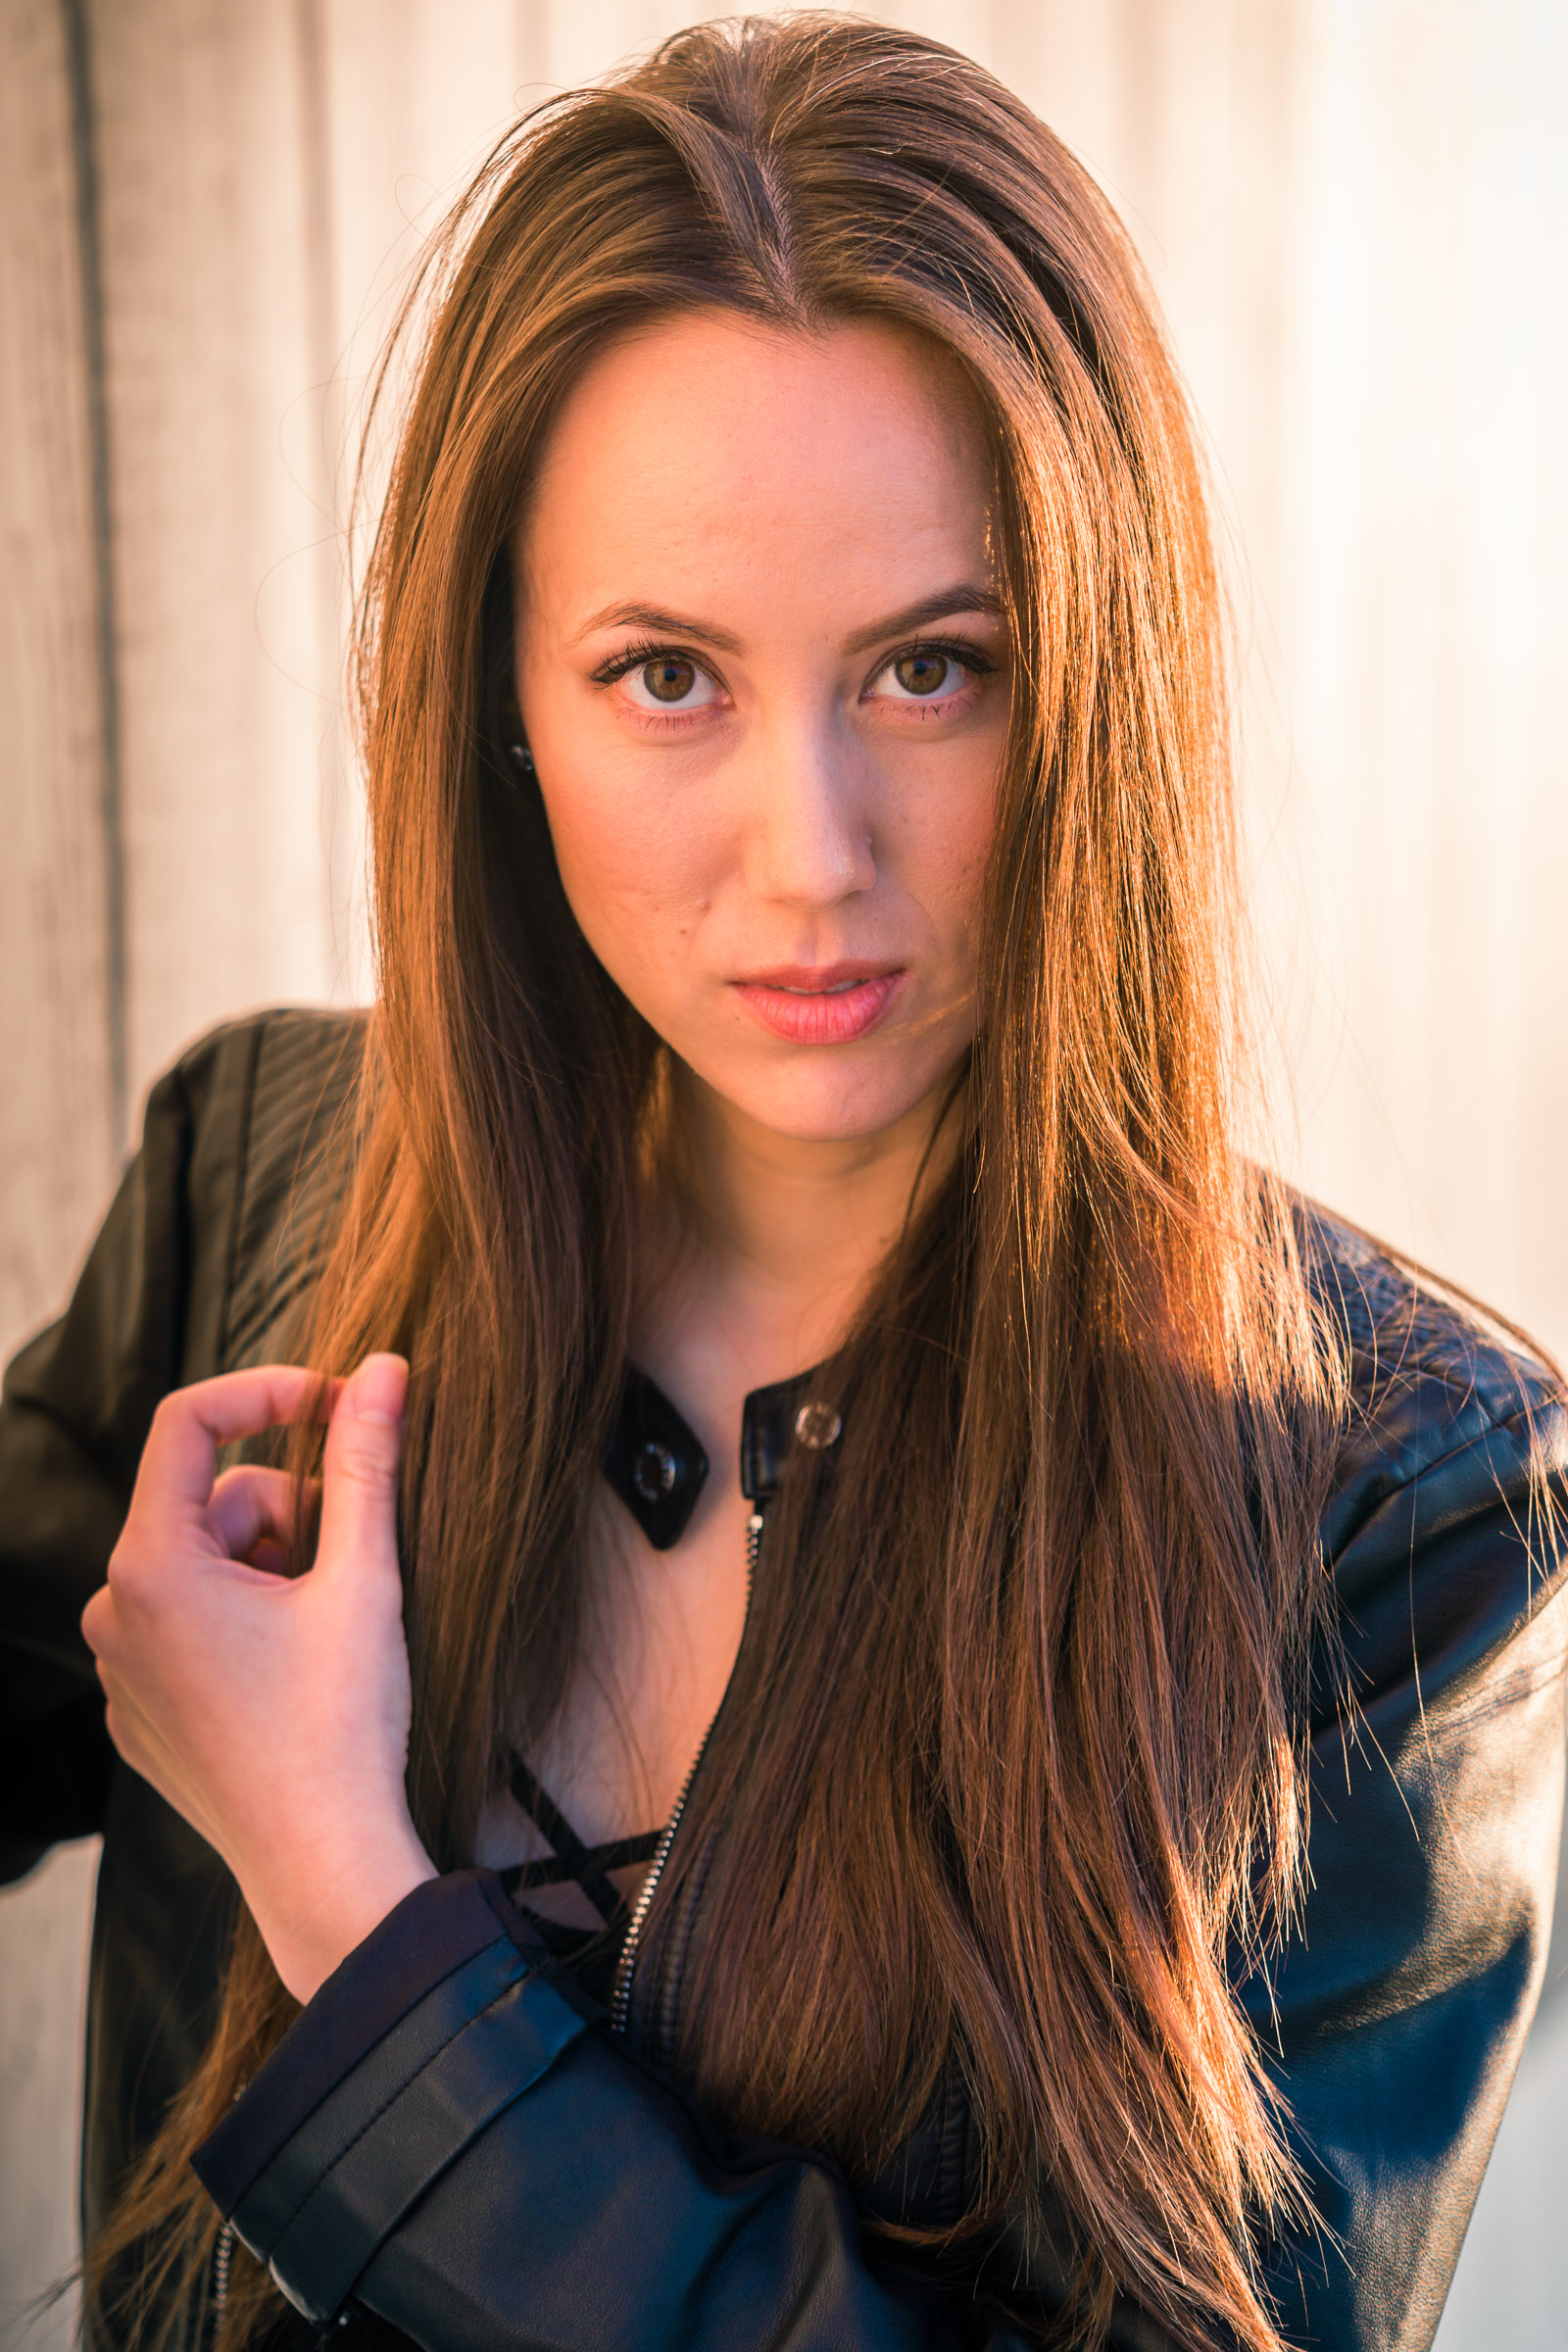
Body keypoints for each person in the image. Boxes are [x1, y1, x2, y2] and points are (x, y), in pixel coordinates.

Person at [2, 16, 1564, 2352]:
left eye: (932, 671)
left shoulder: (1395, 1501)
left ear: (1097, 692)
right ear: (495, 705)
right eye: (663, 677)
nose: (807, 862)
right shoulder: (264, 1183)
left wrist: (344, 1900)